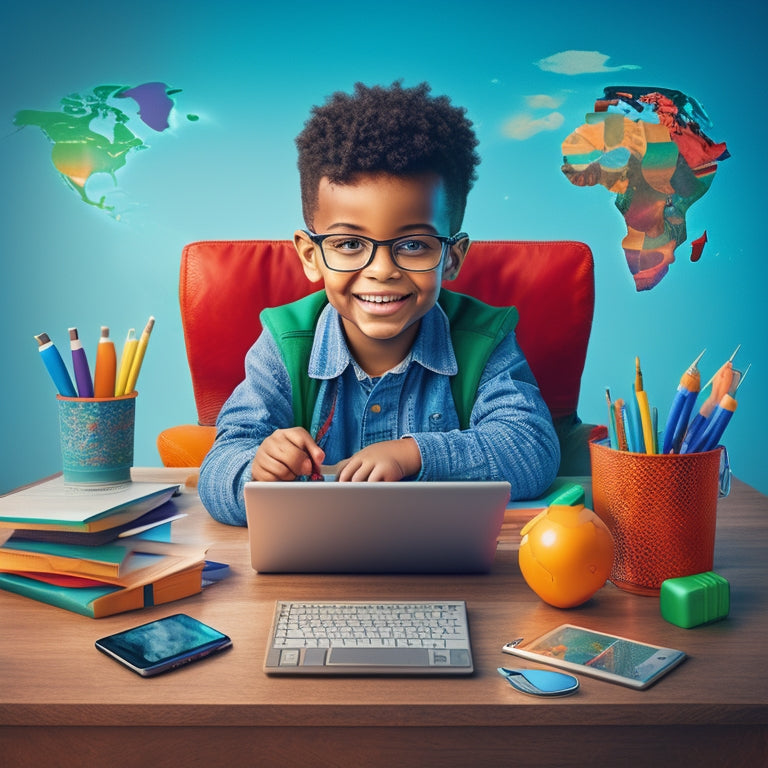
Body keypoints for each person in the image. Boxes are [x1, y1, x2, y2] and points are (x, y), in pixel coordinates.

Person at [198, 82, 559, 526]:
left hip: (438, 568)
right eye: (349, 243)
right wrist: (255, 470)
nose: (382, 270)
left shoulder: (484, 339)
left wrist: (413, 455)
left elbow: (531, 450)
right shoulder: (285, 342)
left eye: (413, 245)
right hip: (313, 569)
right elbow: (216, 471)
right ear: (311, 256)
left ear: (452, 257)